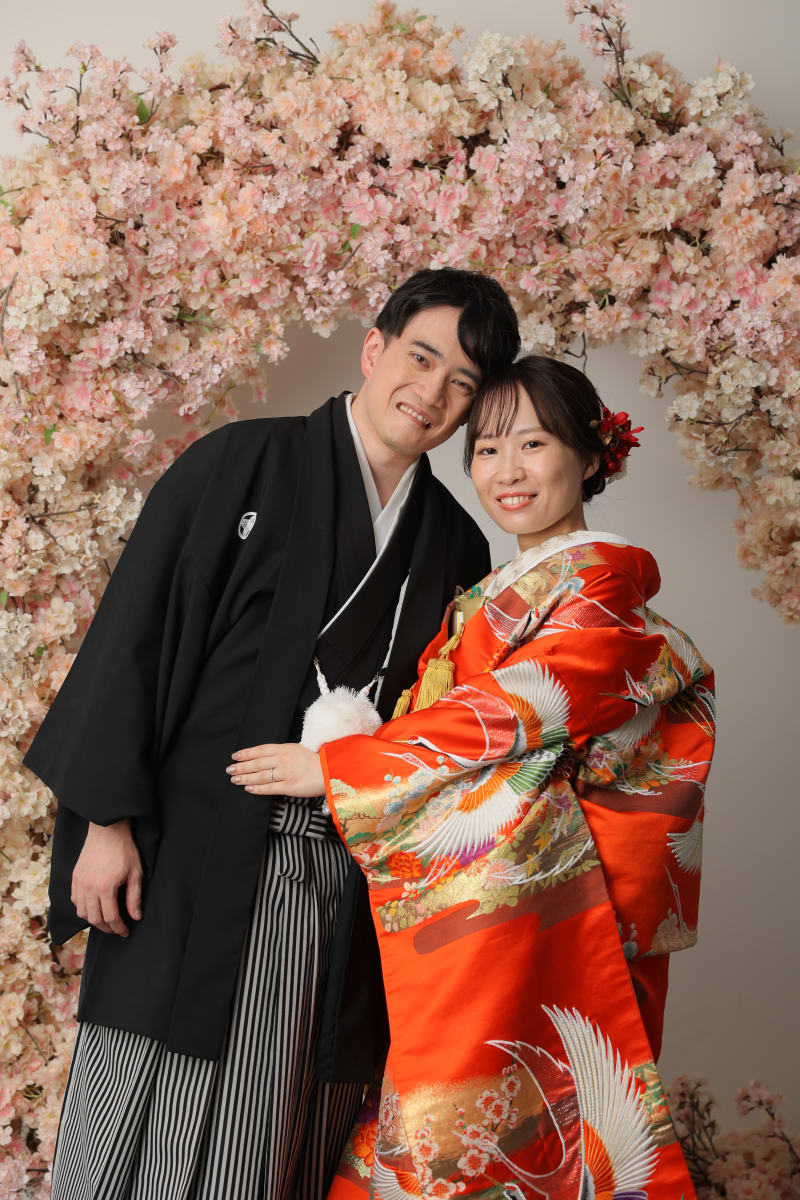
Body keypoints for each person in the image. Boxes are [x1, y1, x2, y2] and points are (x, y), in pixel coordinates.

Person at [22, 268, 522, 1200]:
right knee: (139, 1112)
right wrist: (105, 822)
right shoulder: (239, 463)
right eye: (421, 359)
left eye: (462, 383)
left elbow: (445, 733)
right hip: (188, 857)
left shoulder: (457, 544)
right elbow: (134, 633)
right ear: (374, 349)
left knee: (275, 1130)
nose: (432, 393)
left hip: (336, 885)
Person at [234, 354, 716, 1198]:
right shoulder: (501, 588)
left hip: (559, 899)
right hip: (497, 899)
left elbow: (524, 706)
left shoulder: (600, 587)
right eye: (487, 450)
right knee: (473, 1129)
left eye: (533, 444)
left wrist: (344, 764)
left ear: (591, 456)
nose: (507, 472)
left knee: (506, 1128)